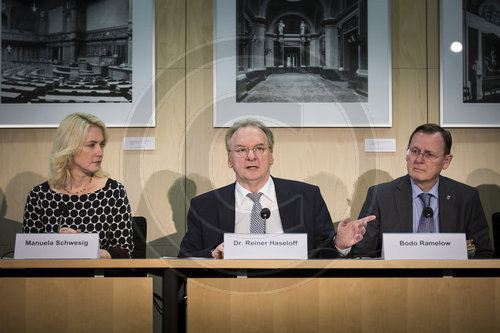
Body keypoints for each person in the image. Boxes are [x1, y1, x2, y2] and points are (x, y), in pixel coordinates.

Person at [179, 119, 375, 258]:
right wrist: (213, 254)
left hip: (295, 295)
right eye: (241, 150)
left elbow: (323, 255)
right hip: (228, 296)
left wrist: (339, 244)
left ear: (271, 156)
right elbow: (185, 260)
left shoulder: (307, 197)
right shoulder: (205, 206)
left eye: (259, 148)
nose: (251, 156)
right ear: (229, 159)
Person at [353, 123, 493, 258]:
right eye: (415, 151)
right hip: (396, 280)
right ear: (407, 154)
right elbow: (362, 254)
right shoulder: (380, 196)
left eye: (429, 154)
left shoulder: (466, 198)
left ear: (446, 161)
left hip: (451, 280)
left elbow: (483, 254)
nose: (419, 159)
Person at [23, 113, 134, 259]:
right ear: (69, 147)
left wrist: (84, 248)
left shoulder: (113, 192)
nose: (99, 152)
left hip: (98, 279)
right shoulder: (39, 195)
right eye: (91, 145)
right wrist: (60, 245)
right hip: (50, 279)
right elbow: (28, 253)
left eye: (101, 144)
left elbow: (125, 252)